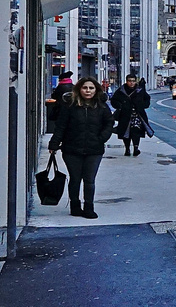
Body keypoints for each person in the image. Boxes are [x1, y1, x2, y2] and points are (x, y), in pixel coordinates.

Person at [49, 78, 115, 218]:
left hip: (94, 149)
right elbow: (61, 126)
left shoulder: (101, 106)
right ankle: (75, 205)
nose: (88, 91)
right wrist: (54, 144)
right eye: (85, 87)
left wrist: (101, 138)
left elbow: (109, 123)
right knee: (75, 178)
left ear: (96, 90)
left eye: (91, 88)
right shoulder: (69, 106)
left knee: (89, 179)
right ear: (79, 89)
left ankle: (89, 207)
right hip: (72, 149)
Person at [112, 75, 151, 156]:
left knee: (136, 131)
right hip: (125, 115)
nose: (132, 83)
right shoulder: (121, 90)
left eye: (133, 81)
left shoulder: (140, 90)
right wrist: (120, 106)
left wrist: (142, 105)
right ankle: (127, 148)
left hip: (137, 115)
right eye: (130, 81)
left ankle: (136, 148)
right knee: (126, 132)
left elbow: (147, 98)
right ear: (127, 81)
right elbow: (114, 100)